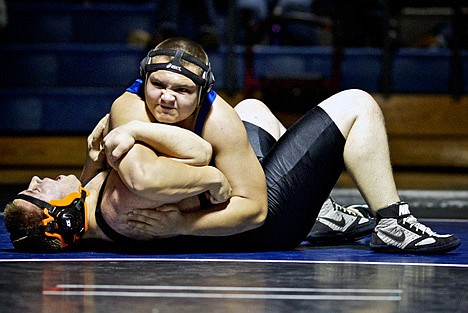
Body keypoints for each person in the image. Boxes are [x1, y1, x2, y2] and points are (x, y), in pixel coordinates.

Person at [4, 37, 461, 254]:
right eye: (158, 85)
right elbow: (253, 208)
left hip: (231, 195)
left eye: (180, 90)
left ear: (201, 93)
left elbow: (92, 188)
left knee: (255, 111)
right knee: (358, 103)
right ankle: (391, 222)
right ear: (143, 83)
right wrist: (204, 188)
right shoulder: (125, 198)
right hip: (261, 220)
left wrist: (92, 158)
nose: (165, 96)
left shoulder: (94, 194)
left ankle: (321, 211)